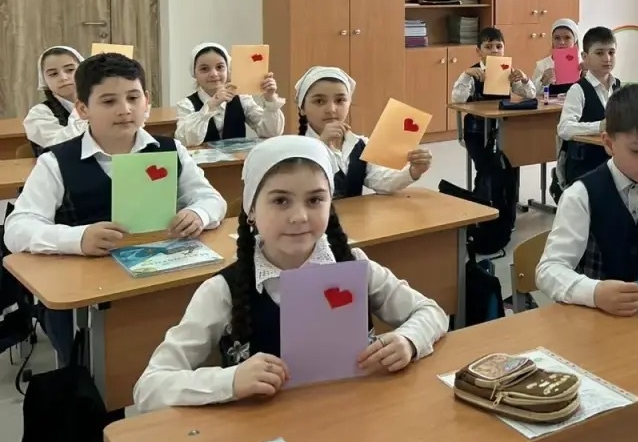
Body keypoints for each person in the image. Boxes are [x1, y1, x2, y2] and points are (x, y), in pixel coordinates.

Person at [132, 136, 449, 411]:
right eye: (281, 201)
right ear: (251, 210)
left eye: (315, 200)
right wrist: (230, 380)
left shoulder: (353, 265)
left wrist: (408, 340)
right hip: (266, 440)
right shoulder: (222, 290)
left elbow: (431, 311)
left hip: (353, 422)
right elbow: (149, 387)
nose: (299, 216)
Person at [5, 53, 227, 364]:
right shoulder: (56, 162)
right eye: (108, 101)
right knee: (105, 367)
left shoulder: (169, 149)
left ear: (146, 100)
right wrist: (78, 238)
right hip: (86, 299)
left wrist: (198, 213)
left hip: (162, 280)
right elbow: (17, 228)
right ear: (83, 108)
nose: (125, 110)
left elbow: (211, 198)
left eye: (133, 98)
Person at [536, 85, 638, 316]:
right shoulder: (581, 194)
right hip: (591, 318)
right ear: (609, 144)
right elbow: (548, 270)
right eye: (637, 150)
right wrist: (594, 292)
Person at [294, 67, 433, 198]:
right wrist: (321, 145)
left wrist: (414, 171)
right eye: (319, 101)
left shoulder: (360, 144)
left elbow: (380, 181)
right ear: (302, 108)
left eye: (340, 100)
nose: (331, 109)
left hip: (355, 215)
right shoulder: (295, 148)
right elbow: (298, 187)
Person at [174, 42, 285, 146]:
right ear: (194, 73)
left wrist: (270, 99)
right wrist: (210, 106)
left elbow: (271, 133)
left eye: (220, 67)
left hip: (238, 160)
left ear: (228, 70)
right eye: (204, 69)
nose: (214, 74)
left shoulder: (242, 98)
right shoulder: (186, 105)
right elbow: (186, 141)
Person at [557, 26, 622, 186]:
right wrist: (599, 126)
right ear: (584, 57)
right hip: (585, 166)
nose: (607, 58)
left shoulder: (618, 86)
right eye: (599, 53)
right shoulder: (578, 89)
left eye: (611, 52)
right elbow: (564, 128)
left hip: (614, 163)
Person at [23, 45, 87, 154]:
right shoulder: (39, 114)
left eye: (70, 70)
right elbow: (65, 146)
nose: (63, 77)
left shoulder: (104, 104)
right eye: (53, 74)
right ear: (44, 80)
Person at [450, 27, 537, 105]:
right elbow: (457, 100)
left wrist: (525, 79)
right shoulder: (472, 73)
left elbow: (531, 95)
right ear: (478, 51)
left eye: (499, 47)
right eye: (488, 47)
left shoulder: (508, 71)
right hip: (478, 117)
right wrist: (466, 75)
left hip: (502, 116)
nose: (494, 50)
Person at [533, 18, 580, 95]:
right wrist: (543, 81)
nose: (562, 42)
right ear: (552, 40)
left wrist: (587, 76)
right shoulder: (542, 65)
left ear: (574, 40)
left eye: (567, 38)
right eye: (557, 38)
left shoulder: (582, 64)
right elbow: (533, 93)